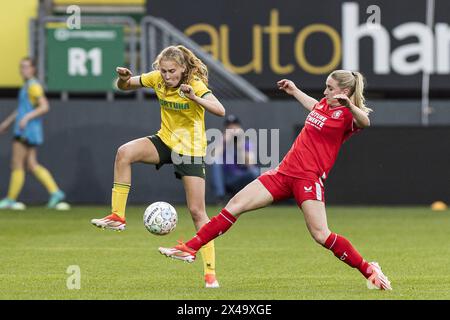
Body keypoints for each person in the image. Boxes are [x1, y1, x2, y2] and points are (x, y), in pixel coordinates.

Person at [159, 70, 393, 290]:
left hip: (308, 179)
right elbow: (313, 106)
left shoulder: (347, 115)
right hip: (283, 174)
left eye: (330, 88)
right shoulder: (323, 104)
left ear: (344, 91)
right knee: (235, 206)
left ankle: (369, 269)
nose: (325, 92)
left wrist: (350, 105)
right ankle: (190, 248)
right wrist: (294, 91)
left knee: (321, 235)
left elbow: (365, 122)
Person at [90, 45, 226, 288]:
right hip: (165, 141)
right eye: (163, 71)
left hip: (190, 151)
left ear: (183, 68)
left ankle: (210, 274)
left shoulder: (194, 84)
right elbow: (125, 86)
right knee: (124, 153)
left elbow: (220, 110)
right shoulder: (157, 80)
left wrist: (194, 97)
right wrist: (122, 80)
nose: (166, 76)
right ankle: (118, 216)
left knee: (197, 212)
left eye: (171, 71)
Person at [0, 57, 66, 209]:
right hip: (28, 130)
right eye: (21, 67)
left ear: (33, 69)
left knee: (16, 164)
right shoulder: (28, 86)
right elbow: (22, 109)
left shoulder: (34, 86)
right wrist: (7, 123)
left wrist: (26, 118)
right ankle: (55, 192)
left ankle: (10, 199)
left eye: (26, 67)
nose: (23, 70)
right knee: (31, 164)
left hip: (26, 130)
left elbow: (44, 106)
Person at [209, 114, 260, 204]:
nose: (232, 130)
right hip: (227, 178)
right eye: (229, 127)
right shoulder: (221, 143)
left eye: (235, 127)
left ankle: (252, 198)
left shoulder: (245, 143)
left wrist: (239, 144)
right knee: (215, 162)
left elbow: (251, 164)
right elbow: (212, 157)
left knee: (255, 171)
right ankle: (220, 198)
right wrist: (223, 142)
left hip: (240, 177)